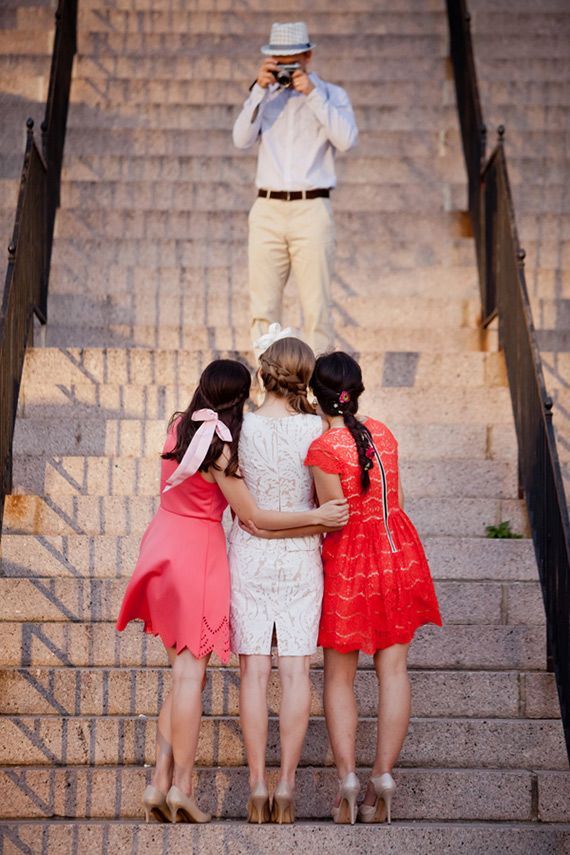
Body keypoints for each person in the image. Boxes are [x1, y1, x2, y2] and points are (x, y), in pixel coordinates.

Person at [115, 359, 348, 824]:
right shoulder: (220, 446)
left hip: (159, 545)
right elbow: (253, 517)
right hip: (196, 554)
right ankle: (183, 787)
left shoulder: (178, 426)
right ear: (238, 398)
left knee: (181, 674)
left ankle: (159, 780)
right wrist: (318, 518)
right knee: (190, 677)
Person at [304, 352, 442, 824]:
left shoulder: (324, 449)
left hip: (351, 562)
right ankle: (381, 778)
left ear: (315, 396)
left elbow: (334, 516)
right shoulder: (382, 432)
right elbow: (392, 498)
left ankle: (348, 779)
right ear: (356, 391)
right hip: (398, 551)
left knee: (338, 677)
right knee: (395, 672)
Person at [228, 328, 333, 824]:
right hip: (300, 555)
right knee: (296, 673)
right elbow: (330, 509)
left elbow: (243, 506)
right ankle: (286, 785)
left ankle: (256, 784)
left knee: (252, 674)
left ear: (264, 372)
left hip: (250, 552)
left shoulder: (240, 427)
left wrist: (263, 527)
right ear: (304, 377)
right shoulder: (316, 429)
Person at [232, 21, 358, 355]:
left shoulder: (331, 95)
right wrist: (258, 90)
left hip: (311, 208)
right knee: (263, 308)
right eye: (280, 61)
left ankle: (319, 384)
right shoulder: (265, 97)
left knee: (317, 308)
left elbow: (347, 140)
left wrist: (313, 95)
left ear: (307, 56)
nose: (286, 69)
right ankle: (267, 381)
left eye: (293, 61)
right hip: (267, 208)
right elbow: (241, 139)